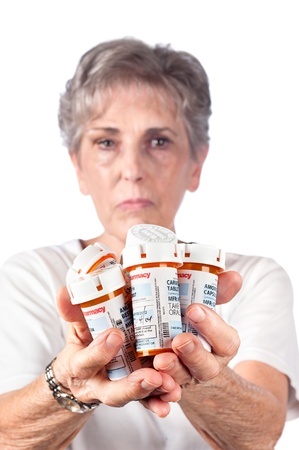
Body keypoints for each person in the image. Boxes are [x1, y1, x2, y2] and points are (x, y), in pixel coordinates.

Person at [0, 37, 298, 450]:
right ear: (79, 168)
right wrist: (73, 385)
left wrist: (201, 373)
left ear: (196, 164)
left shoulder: (250, 278)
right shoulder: (31, 277)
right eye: (106, 142)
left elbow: (261, 434)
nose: (132, 169)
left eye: (158, 141)